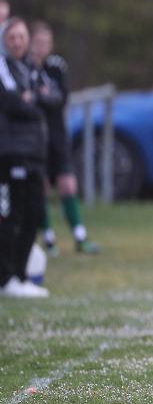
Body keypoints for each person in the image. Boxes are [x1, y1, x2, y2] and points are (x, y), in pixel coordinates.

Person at [29, 21, 100, 255]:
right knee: (42, 186)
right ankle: (48, 239)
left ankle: (80, 236)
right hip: (36, 136)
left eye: (46, 42)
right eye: (38, 42)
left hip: (58, 135)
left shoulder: (57, 66)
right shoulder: (24, 68)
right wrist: (43, 98)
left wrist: (43, 97)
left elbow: (60, 98)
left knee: (68, 184)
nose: (43, 47)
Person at [0, 18, 56, 298]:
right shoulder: (3, 66)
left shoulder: (31, 68)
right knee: (14, 215)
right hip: (13, 153)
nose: (18, 42)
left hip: (35, 152)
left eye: (22, 37)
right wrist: (33, 100)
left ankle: (19, 276)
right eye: (12, 37)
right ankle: (7, 277)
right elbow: (14, 104)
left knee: (34, 213)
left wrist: (33, 98)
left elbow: (54, 98)